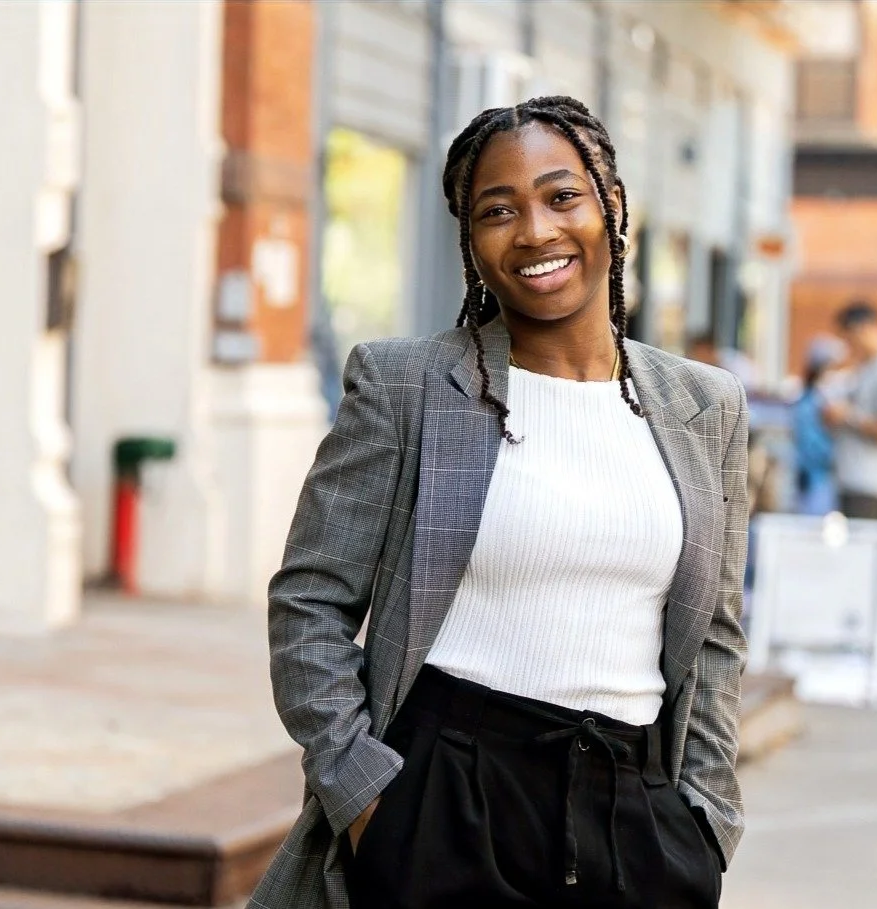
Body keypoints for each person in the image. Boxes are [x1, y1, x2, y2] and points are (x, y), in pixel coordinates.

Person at [250, 96, 747, 909]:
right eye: (496, 210)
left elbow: (717, 632)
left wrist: (705, 821)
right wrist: (369, 800)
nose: (534, 232)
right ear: (468, 239)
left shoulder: (705, 404)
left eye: (561, 197)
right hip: (446, 798)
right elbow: (308, 601)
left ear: (611, 206)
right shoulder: (405, 385)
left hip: (635, 816)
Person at [822, 302, 877, 519]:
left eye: (847, 338)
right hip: (852, 477)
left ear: (861, 329)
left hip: (869, 482)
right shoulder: (867, 365)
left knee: (862, 547)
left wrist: (846, 415)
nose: (846, 346)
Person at [791, 336, 846, 516]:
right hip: (816, 478)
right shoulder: (812, 401)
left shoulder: (818, 397)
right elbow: (810, 445)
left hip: (821, 478)